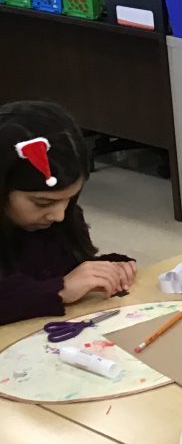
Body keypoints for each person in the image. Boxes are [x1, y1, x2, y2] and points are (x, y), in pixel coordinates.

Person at [0, 101, 136, 326]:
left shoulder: (59, 221)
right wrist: (59, 290)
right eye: (43, 203)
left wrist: (104, 269)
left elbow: (57, 273)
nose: (59, 216)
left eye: (70, 199)